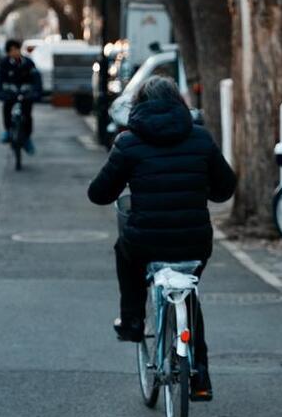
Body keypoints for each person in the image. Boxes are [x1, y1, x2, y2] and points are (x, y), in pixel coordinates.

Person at [87, 75, 236, 400]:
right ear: (179, 104)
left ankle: (133, 322)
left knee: (125, 253)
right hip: (195, 242)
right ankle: (201, 378)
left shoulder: (128, 142)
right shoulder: (200, 138)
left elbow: (99, 194)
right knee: (190, 296)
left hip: (145, 241)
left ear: (139, 105)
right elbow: (226, 189)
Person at [0, 39, 42, 154]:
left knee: (27, 114)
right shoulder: (4, 64)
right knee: (7, 108)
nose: (14, 52)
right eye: (11, 50)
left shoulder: (28, 63)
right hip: (10, 93)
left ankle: (27, 139)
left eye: (16, 49)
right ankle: (7, 131)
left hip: (26, 93)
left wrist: (36, 92)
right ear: (8, 52)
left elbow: (36, 79)